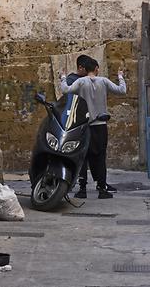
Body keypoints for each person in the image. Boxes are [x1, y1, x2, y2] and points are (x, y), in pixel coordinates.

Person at [60, 57, 126, 198]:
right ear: (96, 68)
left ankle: (82, 189)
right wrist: (120, 77)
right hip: (100, 126)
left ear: (85, 68)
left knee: (83, 157)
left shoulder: (80, 82)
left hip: (84, 126)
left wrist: (63, 77)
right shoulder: (104, 81)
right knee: (100, 157)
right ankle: (102, 189)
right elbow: (122, 90)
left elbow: (65, 90)